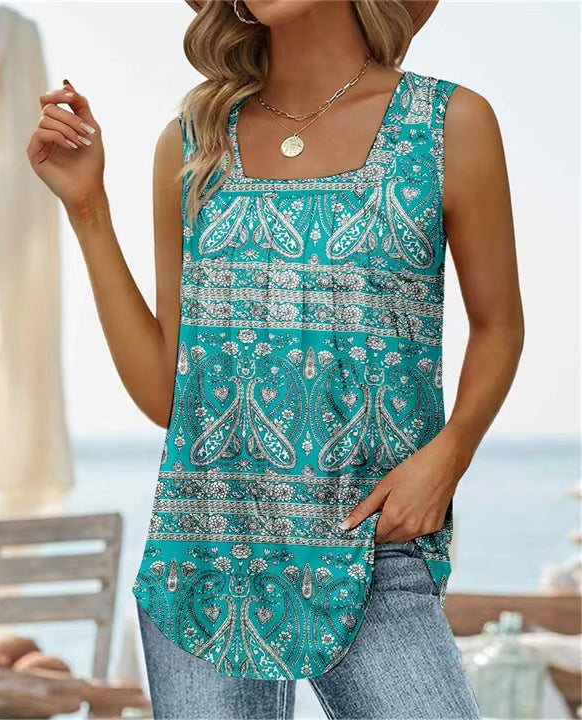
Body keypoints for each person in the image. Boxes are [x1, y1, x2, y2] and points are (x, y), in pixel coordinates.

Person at [27, 0, 524, 718]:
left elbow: (499, 324)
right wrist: (87, 209)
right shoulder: (193, 142)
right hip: (204, 560)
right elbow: (170, 395)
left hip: (371, 542)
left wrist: (450, 455)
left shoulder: (447, 123)